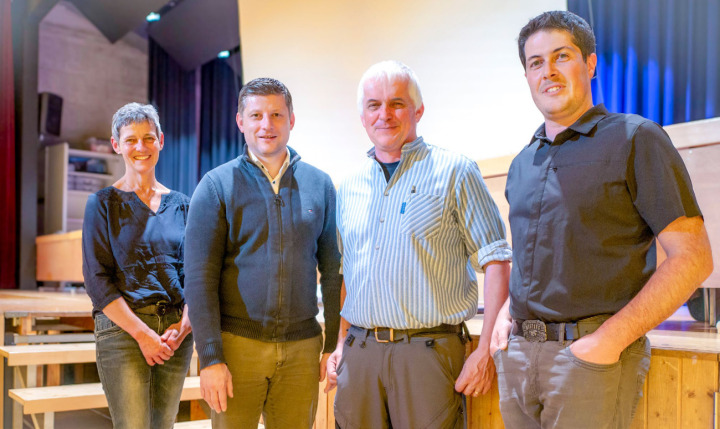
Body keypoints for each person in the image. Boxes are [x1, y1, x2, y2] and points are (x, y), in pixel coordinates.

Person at [492, 10, 714, 429]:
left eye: (562, 56)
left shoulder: (635, 138)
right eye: (536, 62)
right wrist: (505, 314)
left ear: (590, 64)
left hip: (589, 360)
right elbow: (531, 260)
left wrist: (608, 340)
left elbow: (693, 258)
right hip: (519, 358)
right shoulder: (524, 161)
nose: (548, 72)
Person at [326, 60, 512, 429]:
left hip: (427, 353)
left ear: (418, 110)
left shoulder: (455, 171)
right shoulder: (348, 187)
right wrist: (340, 342)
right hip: (360, 355)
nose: (384, 114)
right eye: (373, 105)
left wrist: (485, 350)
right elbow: (349, 272)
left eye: (396, 103)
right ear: (362, 116)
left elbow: (496, 259)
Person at [183, 78, 342, 429]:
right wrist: (210, 358)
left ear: (291, 119)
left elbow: (333, 271)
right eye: (255, 115)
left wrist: (331, 344)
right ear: (241, 121)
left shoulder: (321, 185)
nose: (266, 125)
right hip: (237, 348)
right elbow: (198, 279)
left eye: (276, 115)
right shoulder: (215, 186)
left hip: (302, 350)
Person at [82, 102, 193, 429]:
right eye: (130, 140)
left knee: (164, 425)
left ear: (162, 140)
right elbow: (97, 281)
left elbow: (195, 276)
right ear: (116, 144)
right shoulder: (102, 203)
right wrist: (143, 334)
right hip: (124, 332)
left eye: (148, 138)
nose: (140, 147)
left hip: (175, 333)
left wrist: (184, 327)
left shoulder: (183, 205)